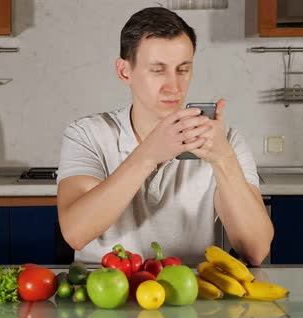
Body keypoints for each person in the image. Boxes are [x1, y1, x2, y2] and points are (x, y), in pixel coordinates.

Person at [56, 7, 273, 266]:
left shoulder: (223, 140)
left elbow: (256, 250)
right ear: (125, 71)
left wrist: (223, 159)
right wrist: (148, 155)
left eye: (182, 70)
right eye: (158, 70)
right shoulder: (86, 134)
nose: (174, 86)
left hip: (188, 296)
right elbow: (75, 233)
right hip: (101, 294)